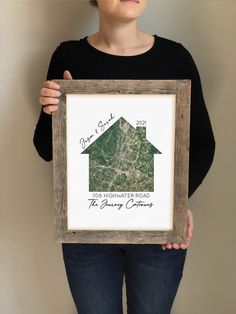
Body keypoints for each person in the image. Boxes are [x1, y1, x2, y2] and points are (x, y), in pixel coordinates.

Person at [33, 0, 215, 313]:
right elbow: (46, 149)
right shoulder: (68, 57)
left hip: (157, 233)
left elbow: (202, 144)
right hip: (86, 232)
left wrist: (177, 202)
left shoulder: (175, 57)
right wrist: (53, 113)